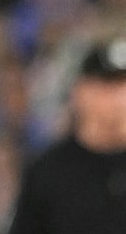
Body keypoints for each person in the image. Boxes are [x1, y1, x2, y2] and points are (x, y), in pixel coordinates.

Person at [8, 36, 126, 234]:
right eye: (108, 85)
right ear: (79, 91)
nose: (119, 98)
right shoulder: (49, 172)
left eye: (123, 86)